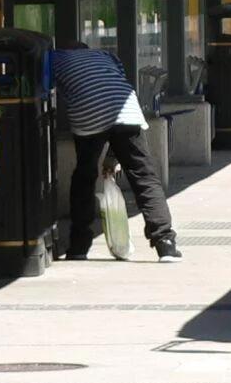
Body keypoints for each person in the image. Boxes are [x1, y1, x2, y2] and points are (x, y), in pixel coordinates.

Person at [51, 41, 180, 263]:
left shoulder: (56, 58)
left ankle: (78, 247)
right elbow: (118, 89)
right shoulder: (106, 56)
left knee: (84, 177)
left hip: (89, 112)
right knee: (143, 175)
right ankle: (165, 243)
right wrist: (112, 157)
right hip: (126, 110)